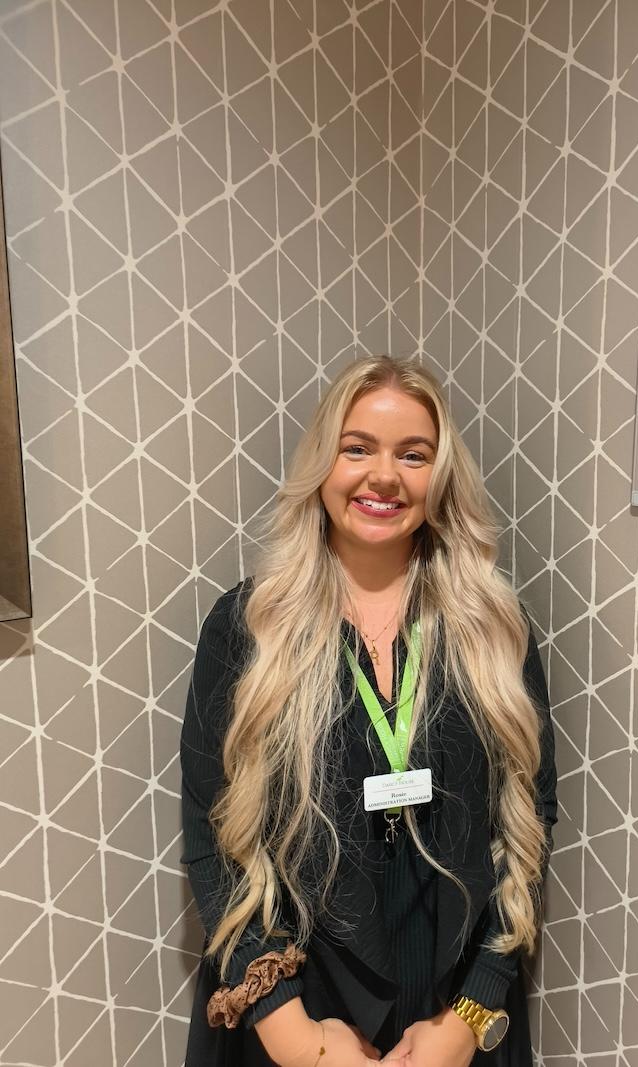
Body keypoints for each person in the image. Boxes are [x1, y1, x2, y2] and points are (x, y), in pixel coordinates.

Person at [180, 356, 558, 1067]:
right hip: (290, 1016)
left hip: (454, 1020)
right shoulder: (246, 627)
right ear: (323, 462)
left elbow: (531, 824)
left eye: (413, 455)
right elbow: (210, 838)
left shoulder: (495, 626)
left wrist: (470, 1016)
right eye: (358, 448)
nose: (384, 475)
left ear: (438, 476)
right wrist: (297, 1037)